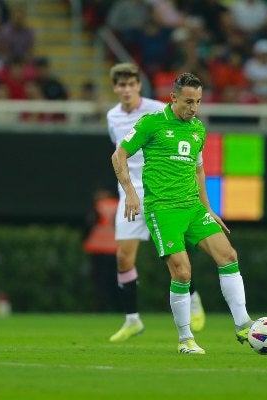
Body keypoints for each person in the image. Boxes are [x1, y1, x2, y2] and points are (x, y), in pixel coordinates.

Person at [111, 72, 253, 354]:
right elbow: (119, 155)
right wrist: (130, 192)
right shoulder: (152, 123)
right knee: (183, 272)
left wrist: (209, 208)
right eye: (189, 102)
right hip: (162, 209)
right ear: (173, 97)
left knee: (229, 256)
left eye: (198, 102)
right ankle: (185, 339)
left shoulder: (198, 129)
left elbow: (199, 169)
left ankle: (244, 325)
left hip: (193, 207)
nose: (194, 108)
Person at [106, 63, 205, 343]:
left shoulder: (157, 111)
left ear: (139, 85)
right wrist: (128, 190)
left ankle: (194, 298)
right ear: (115, 88)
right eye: (121, 85)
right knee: (123, 258)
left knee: (176, 257)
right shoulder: (112, 116)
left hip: (162, 191)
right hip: (130, 192)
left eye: (131, 84)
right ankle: (132, 321)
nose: (126, 90)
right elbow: (121, 154)